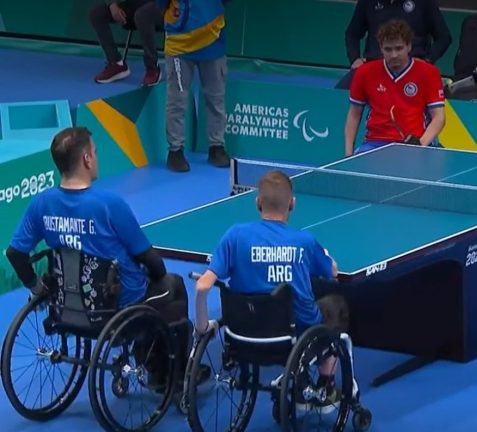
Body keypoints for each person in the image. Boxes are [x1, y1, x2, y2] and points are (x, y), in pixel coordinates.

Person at [4, 126, 194, 389]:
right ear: (86, 159)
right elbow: (150, 260)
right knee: (172, 286)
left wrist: (37, 288)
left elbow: (15, 253)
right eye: (94, 151)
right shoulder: (109, 204)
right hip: (116, 308)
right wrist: (158, 274)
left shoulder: (41, 203)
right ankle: (172, 375)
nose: (96, 156)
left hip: (66, 308)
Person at [193, 170, 347, 408]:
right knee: (336, 305)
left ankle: (301, 379)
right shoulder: (304, 241)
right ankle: (325, 388)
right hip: (292, 338)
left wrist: (203, 327)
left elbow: (203, 285)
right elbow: (333, 271)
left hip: (242, 334)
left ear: (257, 202)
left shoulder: (234, 235)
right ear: (292, 204)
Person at [345, 19, 446, 156]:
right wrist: (348, 155)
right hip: (374, 143)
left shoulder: (429, 73)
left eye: (399, 48)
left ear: (409, 46)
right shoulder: (364, 72)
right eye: (388, 49)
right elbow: (354, 114)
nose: (394, 55)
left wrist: (421, 144)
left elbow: (439, 117)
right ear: (381, 47)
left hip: (413, 143)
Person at [157, 0, 231, 172]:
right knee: (177, 101)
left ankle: (216, 146)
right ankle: (175, 150)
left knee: (216, 98)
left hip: (213, 39)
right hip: (179, 43)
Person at [336, 0, 452, 90]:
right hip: (374, 65)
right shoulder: (368, 2)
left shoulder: (424, 2)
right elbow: (352, 34)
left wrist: (427, 60)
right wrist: (355, 59)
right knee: (339, 91)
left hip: (411, 67)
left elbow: (444, 37)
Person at [89, 0, 164, 86]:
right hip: (136, 6)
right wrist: (112, 4)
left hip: (165, 8)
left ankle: (152, 67)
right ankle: (116, 64)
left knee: (143, 15)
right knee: (97, 12)